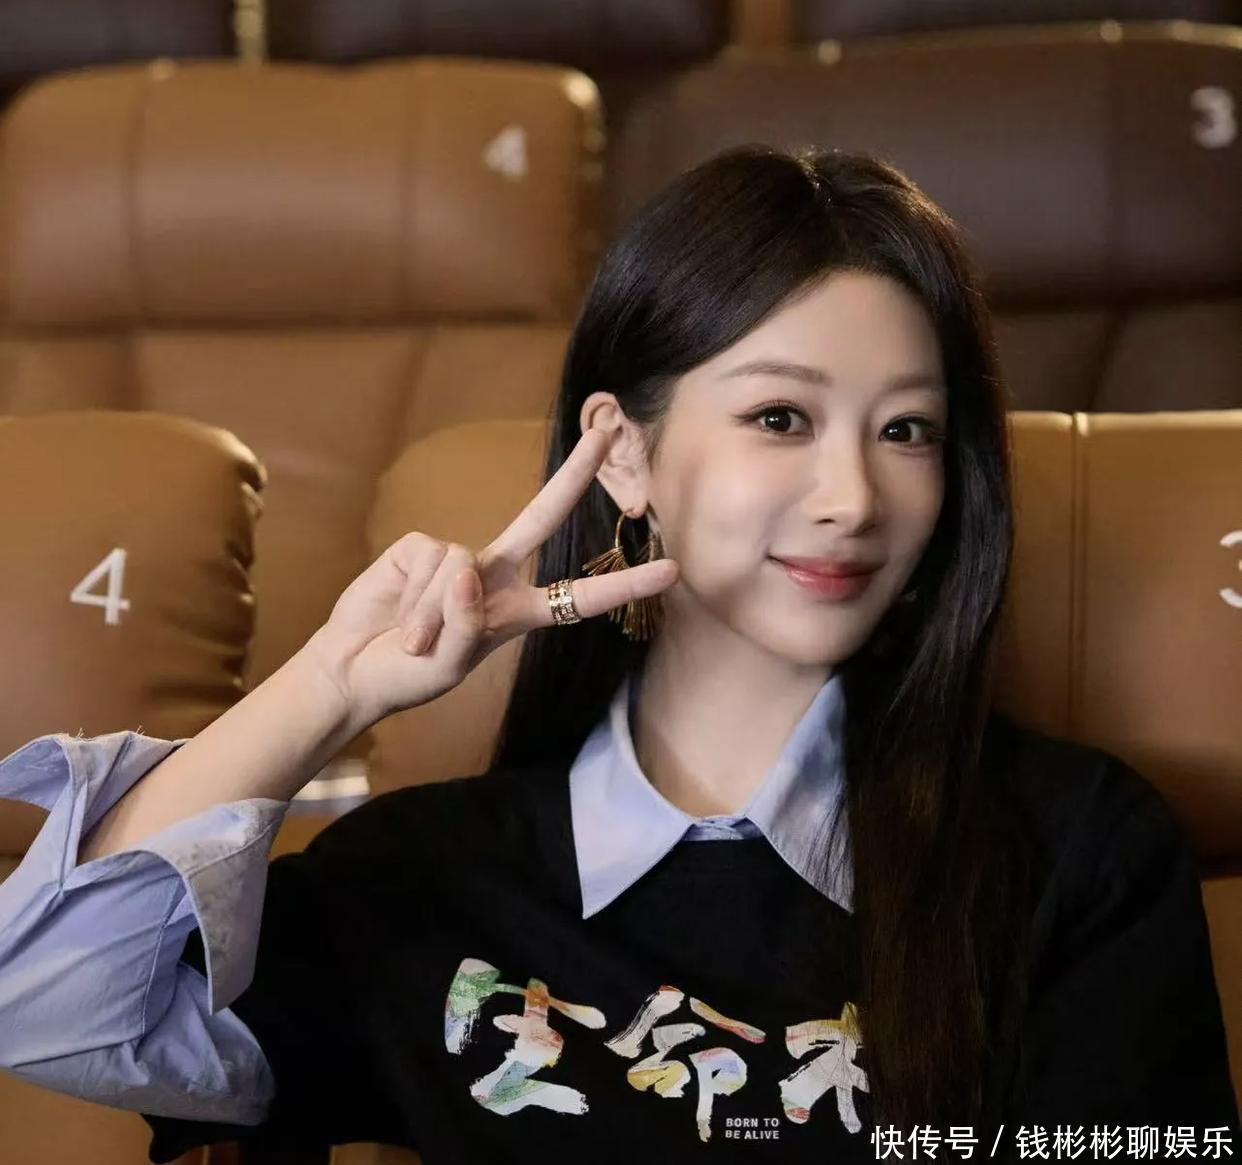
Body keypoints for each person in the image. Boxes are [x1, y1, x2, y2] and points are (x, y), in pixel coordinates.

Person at [0, 145, 1237, 1164]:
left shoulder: (1077, 854)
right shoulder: (423, 883)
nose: (855, 497)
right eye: (781, 417)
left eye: (906, 430)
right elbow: (43, 1001)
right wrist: (329, 687)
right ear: (627, 454)